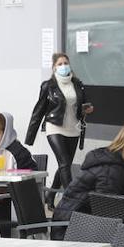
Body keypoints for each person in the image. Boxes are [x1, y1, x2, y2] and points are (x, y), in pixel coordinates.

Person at [53, 121, 124, 221]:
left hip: (81, 225)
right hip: (71, 229)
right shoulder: (112, 170)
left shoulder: (120, 166)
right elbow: (107, 215)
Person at [26, 52, 94, 193]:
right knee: (64, 163)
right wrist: (30, 138)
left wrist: (86, 109)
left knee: (65, 165)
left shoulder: (78, 84)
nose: (64, 66)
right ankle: (71, 198)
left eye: (66, 63)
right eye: (60, 64)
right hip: (54, 127)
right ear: (54, 68)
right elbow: (38, 111)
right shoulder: (48, 86)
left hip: (73, 128)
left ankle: (51, 195)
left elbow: (83, 104)